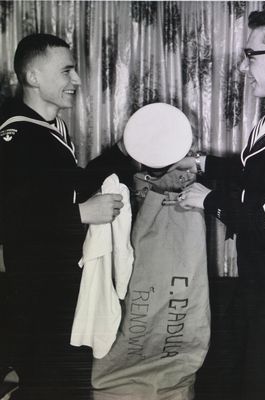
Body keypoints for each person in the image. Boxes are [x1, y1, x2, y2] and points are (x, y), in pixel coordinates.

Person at [172, 7, 265, 400]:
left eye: (251, 55)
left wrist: (210, 200)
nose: (243, 67)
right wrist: (201, 162)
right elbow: (249, 171)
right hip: (259, 281)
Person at [0, 33, 136, 400]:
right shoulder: (15, 136)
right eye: (67, 71)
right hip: (35, 291)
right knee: (49, 382)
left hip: (59, 285)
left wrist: (121, 151)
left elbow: (69, 186)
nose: (76, 81)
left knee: (57, 379)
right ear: (33, 77)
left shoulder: (49, 129)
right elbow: (11, 219)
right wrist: (81, 213)